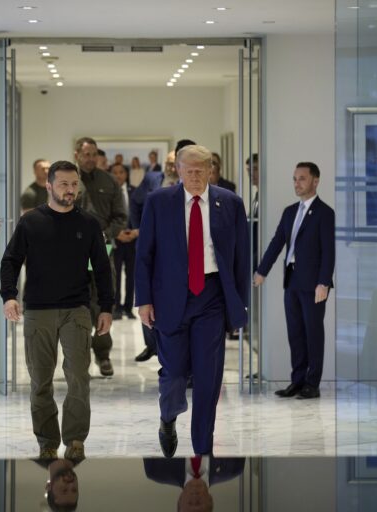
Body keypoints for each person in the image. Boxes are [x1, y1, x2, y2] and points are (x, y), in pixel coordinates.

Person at [136, 144, 250, 457]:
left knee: (207, 378)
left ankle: (203, 449)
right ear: (179, 171)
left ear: (211, 170)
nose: (196, 176)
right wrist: (143, 300)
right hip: (171, 298)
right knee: (173, 374)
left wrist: (239, 304)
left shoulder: (230, 203)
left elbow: (241, 259)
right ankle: (168, 418)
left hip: (211, 297)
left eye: (202, 170)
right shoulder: (159, 202)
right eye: (190, 171)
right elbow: (144, 253)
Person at [0, 160, 113, 461]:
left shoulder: (88, 224)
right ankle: (47, 440)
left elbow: (102, 269)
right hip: (38, 311)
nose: (70, 190)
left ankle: (75, 439)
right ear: (48, 186)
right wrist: (8, 296)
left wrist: (106, 308)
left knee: (78, 376)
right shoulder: (31, 222)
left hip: (76, 309)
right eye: (63, 184)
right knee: (41, 380)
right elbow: (10, 260)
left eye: (74, 184)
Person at [253, 161, 335, 400]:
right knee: (296, 334)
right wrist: (262, 271)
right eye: (295, 178)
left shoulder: (324, 213)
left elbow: (328, 252)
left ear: (315, 181)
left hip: (313, 285)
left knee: (313, 334)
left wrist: (324, 282)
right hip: (292, 282)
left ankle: (312, 383)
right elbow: (277, 243)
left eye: (302, 178)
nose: (297, 183)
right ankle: (297, 381)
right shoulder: (290, 211)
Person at [129, 140, 194, 363]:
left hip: (179, 252)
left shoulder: (191, 185)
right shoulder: (152, 179)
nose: (169, 165)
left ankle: (174, 353)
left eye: (172, 162)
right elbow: (135, 202)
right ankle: (152, 344)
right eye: (168, 162)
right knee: (146, 295)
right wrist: (138, 228)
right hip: (151, 245)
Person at [74, 137, 129, 377]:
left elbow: (120, 216)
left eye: (94, 154)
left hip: (103, 250)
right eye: (86, 154)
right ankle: (80, 357)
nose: (90, 158)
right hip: (73, 254)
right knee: (77, 305)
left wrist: (105, 236)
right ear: (76, 154)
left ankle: (103, 354)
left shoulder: (109, 181)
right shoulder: (68, 180)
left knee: (103, 301)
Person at [144, 456, 245, 512]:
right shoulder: (233, 468)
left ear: (180, 500)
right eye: (199, 503)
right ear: (210, 501)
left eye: (190, 503)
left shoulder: (156, 469)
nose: (195, 497)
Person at [110, 162, 137, 320]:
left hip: (133, 239)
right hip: (115, 240)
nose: (118, 175)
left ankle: (128, 308)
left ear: (126, 174)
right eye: (115, 172)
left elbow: (140, 213)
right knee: (115, 274)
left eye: (121, 172)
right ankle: (116, 307)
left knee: (131, 275)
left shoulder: (135, 192)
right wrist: (117, 233)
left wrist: (136, 232)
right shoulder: (110, 192)